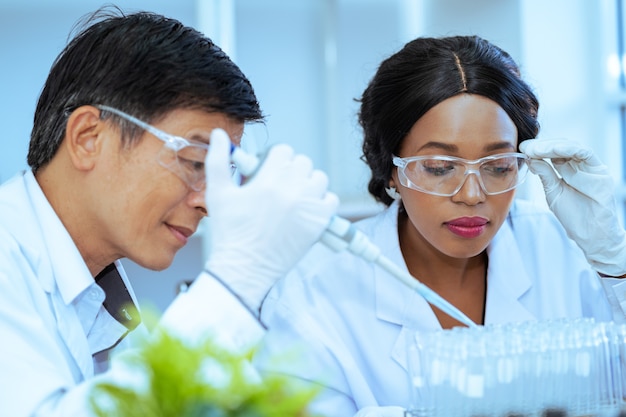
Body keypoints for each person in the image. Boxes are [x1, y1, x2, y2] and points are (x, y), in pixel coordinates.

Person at [252, 35, 626, 417]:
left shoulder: (557, 249)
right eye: (439, 168)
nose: (471, 194)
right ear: (391, 169)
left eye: (498, 166)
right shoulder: (313, 293)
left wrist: (617, 266)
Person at [0, 7, 338, 417]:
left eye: (219, 171)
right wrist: (235, 281)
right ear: (88, 138)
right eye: (195, 161)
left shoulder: (98, 294)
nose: (208, 201)